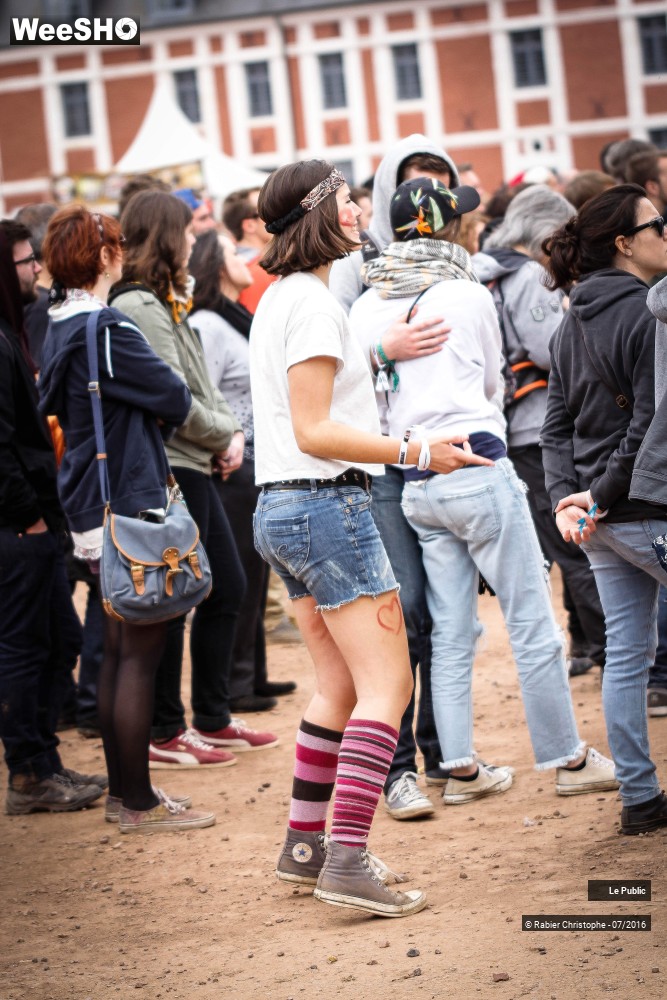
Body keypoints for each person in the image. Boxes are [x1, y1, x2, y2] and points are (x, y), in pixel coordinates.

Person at [250, 158, 494, 917]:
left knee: (340, 686)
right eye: (352, 201)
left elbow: (307, 413)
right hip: (326, 507)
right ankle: (347, 863)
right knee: (387, 686)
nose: (363, 211)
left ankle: (306, 846)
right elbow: (317, 428)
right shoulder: (317, 306)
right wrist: (419, 451)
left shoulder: (284, 299)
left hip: (282, 509)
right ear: (328, 214)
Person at [351, 176, 618, 808]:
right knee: (530, 620)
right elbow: (494, 382)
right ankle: (567, 756)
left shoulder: (366, 304)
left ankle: (461, 765)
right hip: (478, 464)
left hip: (416, 478)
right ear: (449, 227)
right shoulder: (465, 292)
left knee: (451, 629)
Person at [37, 205, 216, 833]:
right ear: (108, 255)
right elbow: (173, 396)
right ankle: (135, 801)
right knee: (139, 648)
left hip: (91, 501)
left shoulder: (57, 323)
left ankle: (127, 793)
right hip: (130, 499)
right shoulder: (105, 326)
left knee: (117, 650)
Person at [110, 191, 277, 767]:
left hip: (197, 460)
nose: (192, 241)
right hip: (175, 467)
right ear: (164, 236)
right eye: (183, 232)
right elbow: (173, 395)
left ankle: (212, 716)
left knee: (223, 588)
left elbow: (197, 387)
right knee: (180, 599)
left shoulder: (164, 301)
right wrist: (224, 435)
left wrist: (225, 433)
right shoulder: (141, 307)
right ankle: (167, 729)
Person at [331, 134, 459, 822]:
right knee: (401, 613)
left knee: (445, 613)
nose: (426, 198)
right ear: (388, 191)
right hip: (384, 464)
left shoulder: (458, 266)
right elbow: (331, 364)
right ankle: (396, 769)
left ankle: (446, 751)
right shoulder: (356, 267)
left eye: (438, 182)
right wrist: (384, 348)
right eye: (414, 183)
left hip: (444, 456)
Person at [541, 184, 667, 834]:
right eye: (657, 224)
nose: (664, 232)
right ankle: (640, 797)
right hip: (641, 507)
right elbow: (649, 421)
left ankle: (639, 799)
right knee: (626, 654)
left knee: (624, 655)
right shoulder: (650, 314)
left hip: (601, 521)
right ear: (623, 243)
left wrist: (570, 504)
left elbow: (553, 427)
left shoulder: (571, 320)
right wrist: (594, 496)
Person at [473, 185, 607, 677]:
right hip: (539, 424)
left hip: (513, 426)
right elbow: (555, 350)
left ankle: (583, 646)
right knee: (578, 542)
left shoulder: (488, 268)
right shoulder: (528, 273)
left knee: (559, 543)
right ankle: (613, 651)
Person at [0, 217, 104, 816]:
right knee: (21, 648)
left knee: (54, 641)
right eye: (23, 261)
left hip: (35, 518)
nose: (35, 270)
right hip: (18, 527)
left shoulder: (12, 330)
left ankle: (45, 761)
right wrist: (28, 519)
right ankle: (28, 773)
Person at [189, 230, 296, 712]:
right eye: (234, 252)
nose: (244, 260)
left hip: (255, 460)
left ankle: (252, 677)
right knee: (237, 577)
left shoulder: (234, 316)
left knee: (254, 572)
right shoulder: (208, 324)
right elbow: (202, 394)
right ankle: (234, 683)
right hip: (231, 464)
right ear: (214, 264)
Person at [221, 187, 275, 314]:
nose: (276, 214)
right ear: (249, 225)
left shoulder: (248, 269)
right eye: (267, 210)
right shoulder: (256, 272)